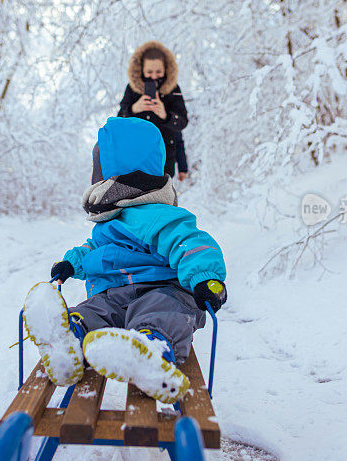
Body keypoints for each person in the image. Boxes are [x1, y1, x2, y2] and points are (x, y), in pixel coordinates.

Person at [22, 117, 226, 404]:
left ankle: (151, 351)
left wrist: (206, 277)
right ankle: (70, 337)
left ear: (119, 170)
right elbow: (96, 249)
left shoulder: (158, 214)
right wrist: (72, 263)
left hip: (162, 289)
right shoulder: (111, 220)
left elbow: (190, 243)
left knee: (161, 311)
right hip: (116, 295)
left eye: (99, 166)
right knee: (96, 309)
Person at [117, 41, 189, 178]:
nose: (154, 76)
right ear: (141, 70)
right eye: (149, 72)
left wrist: (165, 116)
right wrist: (133, 109)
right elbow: (119, 122)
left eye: (158, 72)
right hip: (135, 159)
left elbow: (182, 123)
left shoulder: (174, 90)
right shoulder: (132, 89)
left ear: (166, 69)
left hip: (164, 161)